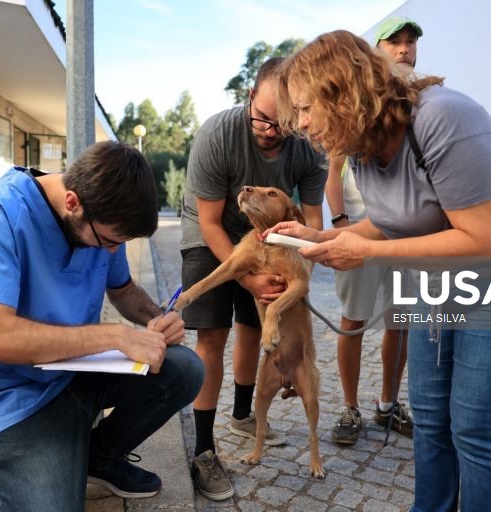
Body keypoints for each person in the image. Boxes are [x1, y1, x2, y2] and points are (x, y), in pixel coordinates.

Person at [268, 31, 491, 511]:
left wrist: (364, 255)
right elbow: (394, 221)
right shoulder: (360, 145)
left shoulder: (444, 117)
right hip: (440, 277)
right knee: (430, 419)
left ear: (343, 90)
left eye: (306, 109)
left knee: (476, 430)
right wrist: (321, 239)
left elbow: (487, 241)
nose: (302, 125)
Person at [0, 141, 204, 511]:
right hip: (14, 393)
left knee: (184, 369)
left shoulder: (99, 217)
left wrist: (154, 316)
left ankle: (99, 457)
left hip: (75, 373)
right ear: (72, 204)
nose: (113, 252)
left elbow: (124, 289)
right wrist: (115, 335)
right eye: (111, 241)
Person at [180, 57, 327, 500]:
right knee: (212, 334)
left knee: (253, 328)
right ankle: (205, 450)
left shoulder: (306, 147)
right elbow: (209, 223)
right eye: (263, 118)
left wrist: (299, 270)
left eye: (283, 120)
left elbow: (314, 223)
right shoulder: (218, 135)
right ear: (249, 99)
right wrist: (249, 280)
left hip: (275, 237)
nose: (272, 128)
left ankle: (243, 416)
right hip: (212, 233)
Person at [325, 16, 423, 445]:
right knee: (353, 321)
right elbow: (332, 170)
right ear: (375, 51)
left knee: (399, 322)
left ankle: (387, 405)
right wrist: (341, 223)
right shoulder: (356, 103)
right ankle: (350, 407)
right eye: (394, 42)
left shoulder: (420, 99)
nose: (404, 50)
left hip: (404, 234)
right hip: (361, 233)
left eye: (410, 42)